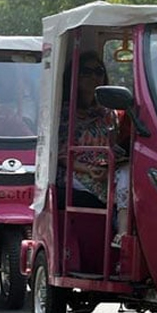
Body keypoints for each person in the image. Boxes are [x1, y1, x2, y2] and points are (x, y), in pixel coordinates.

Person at [57, 50, 130, 248]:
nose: (93, 77)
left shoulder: (108, 113)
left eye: (98, 71)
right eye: (86, 72)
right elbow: (61, 154)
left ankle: (123, 233)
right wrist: (88, 169)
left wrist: (110, 165)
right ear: (75, 76)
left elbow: (113, 145)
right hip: (76, 169)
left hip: (105, 166)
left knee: (127, 176)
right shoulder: (65, 112)